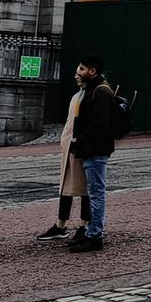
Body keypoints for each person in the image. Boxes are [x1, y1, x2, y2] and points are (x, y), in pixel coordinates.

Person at [65, 56, 120, 252]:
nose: (78, 72)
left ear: (93, 71)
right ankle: (90, 232)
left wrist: (79, 139)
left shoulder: (101, 91)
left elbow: (99, 123)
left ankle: (95, 235)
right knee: (93, 192)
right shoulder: (93, 89)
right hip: (91, 148)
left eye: (82, 68)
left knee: (96, 193)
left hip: (96, 149)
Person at [36, 74, 93, 242]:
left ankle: (84, 225)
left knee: (85, 188)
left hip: (82, 147)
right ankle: (61, 224)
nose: (76, 76)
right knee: (66, 186)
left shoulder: (92, 95)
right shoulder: (78, 95)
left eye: (80, 71)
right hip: (70, 146)